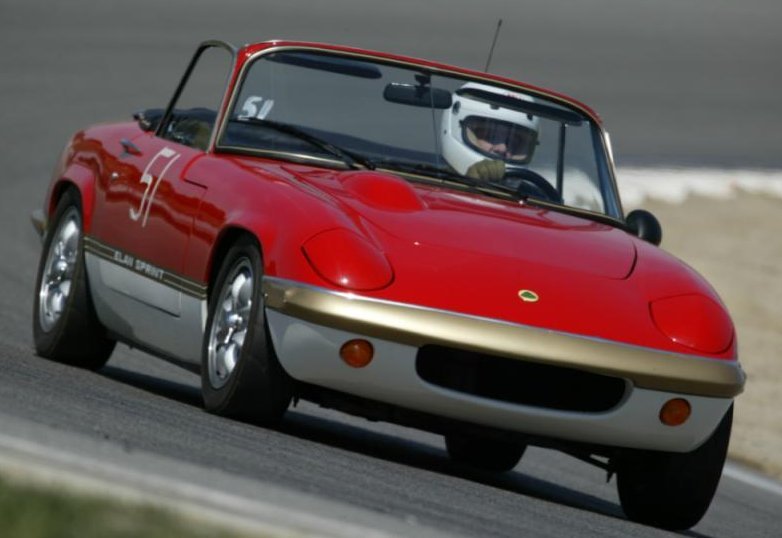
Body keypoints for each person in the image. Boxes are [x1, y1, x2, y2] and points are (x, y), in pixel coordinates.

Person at [440, 82, 540, 182]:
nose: (503, 148)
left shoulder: (532, 195)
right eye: (489, 135)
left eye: (514, 142)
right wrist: (468, 188)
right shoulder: (435, 186)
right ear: (456, 127)